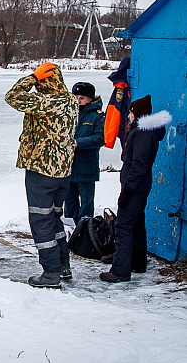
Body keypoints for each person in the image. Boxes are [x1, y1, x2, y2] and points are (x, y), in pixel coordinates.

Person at [5, 62, 78, 288]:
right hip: (63, 172)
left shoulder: (46, 102)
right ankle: (63, 265)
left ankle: (50, 273)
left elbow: (12, 97)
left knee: (41, 220)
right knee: (54, 217)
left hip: (42, 171)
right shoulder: (71, 100)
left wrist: (32, 78)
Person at [100, 95, 172, 283]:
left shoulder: (143, 134)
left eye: (130, 112)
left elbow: (139, 166)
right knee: (136, 222)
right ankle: (137, 262)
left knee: (123, 225)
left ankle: (120, 270)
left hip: (135, 186)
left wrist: (128, 191)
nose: (128, 115)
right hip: (136, 184)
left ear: (137, 113)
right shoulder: (142, 132)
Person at [64, 82, 104, 225]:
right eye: (76, 97)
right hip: (68, 168)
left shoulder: (97, 116)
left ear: (90, 99)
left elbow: (100, 138)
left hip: (86, 168)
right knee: (68, 206)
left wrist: (78, 143)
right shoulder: (68, 114)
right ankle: (69, 234)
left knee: (86, 206)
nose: (78, 101)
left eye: (82, 98)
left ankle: (85, 237)